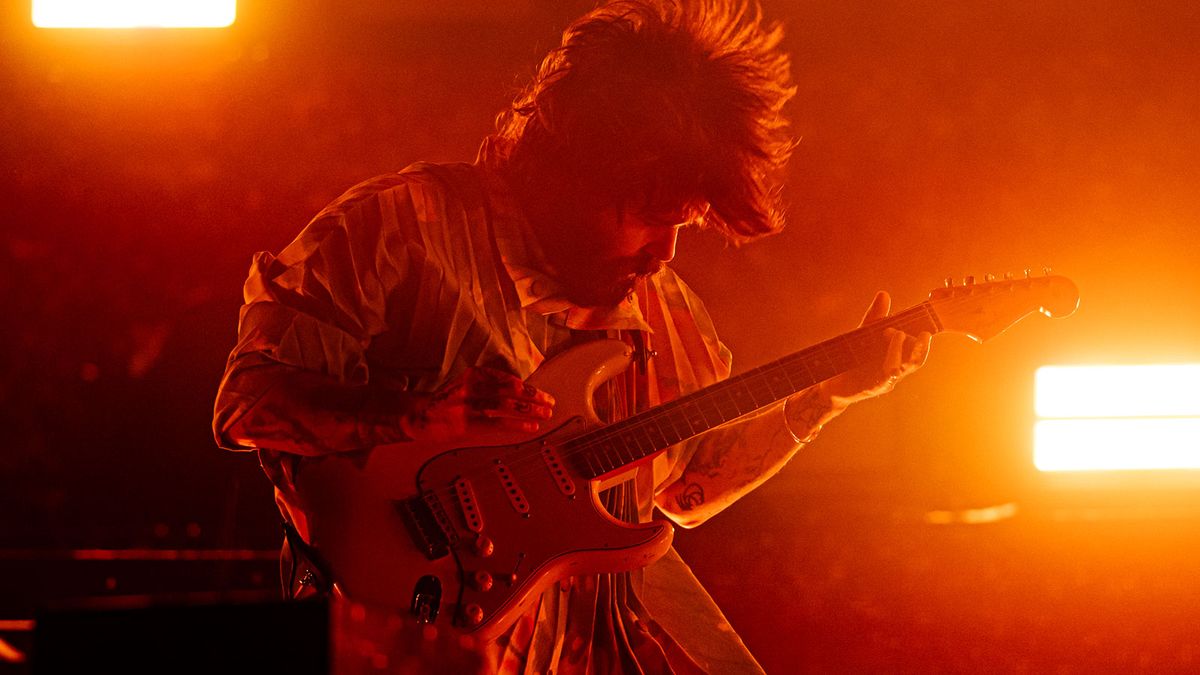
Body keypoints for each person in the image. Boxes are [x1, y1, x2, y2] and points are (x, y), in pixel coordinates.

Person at [213, 0, 930, 672]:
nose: (666, 252)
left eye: (684, 222)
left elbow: (686, 487)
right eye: (648, 213)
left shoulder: (664, 309)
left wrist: (822, 400)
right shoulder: (401, 228)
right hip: (409, 642)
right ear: (572, 166)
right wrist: (419, 416)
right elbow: (248, 402)